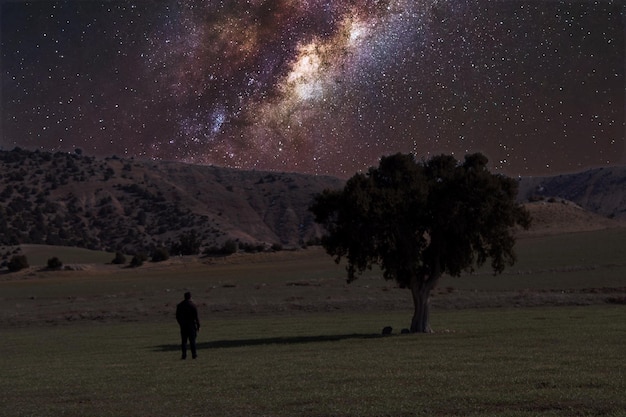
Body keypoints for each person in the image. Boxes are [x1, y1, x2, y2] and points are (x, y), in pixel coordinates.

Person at [176, 291, 200, 360]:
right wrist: (198, 325)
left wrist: (181, 324)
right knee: (192, 341)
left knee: (184, 341)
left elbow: (177, 317)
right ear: (190, 297)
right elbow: (196, 317)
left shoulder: (180, 305)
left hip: (183, 326)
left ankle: (184, 355)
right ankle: (194, 355)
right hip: (191, 325)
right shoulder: (193, 305)